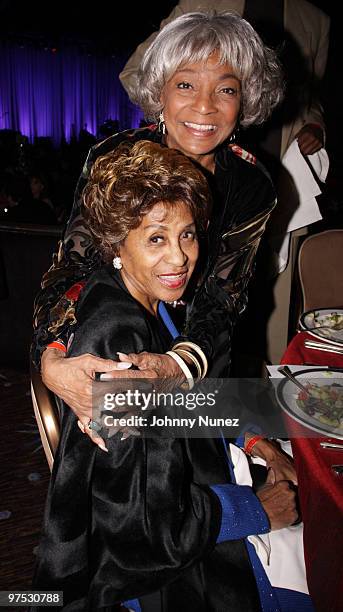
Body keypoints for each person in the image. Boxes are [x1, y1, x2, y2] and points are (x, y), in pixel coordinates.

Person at [31, 140, 302, 612]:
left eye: (188, 235)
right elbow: (136, 533)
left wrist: (255, 439)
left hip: (195, 493)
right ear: (116, 242)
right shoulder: (120, 346)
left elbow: (178, 407)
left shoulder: (150, 303)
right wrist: (257, 509)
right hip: (147, 582)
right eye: (156, 237)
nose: (179, 258)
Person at [119, 0, 331, 365]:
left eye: (227, 90)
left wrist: (177, 367)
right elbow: (72, 273)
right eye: (185, 84)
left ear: (245, 101)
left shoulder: (253, 186)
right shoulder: (115, 164)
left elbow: (223, 299)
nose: (205, 106)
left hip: (199, 358)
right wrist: (53, 357)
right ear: (159, 92)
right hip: (111, 339)